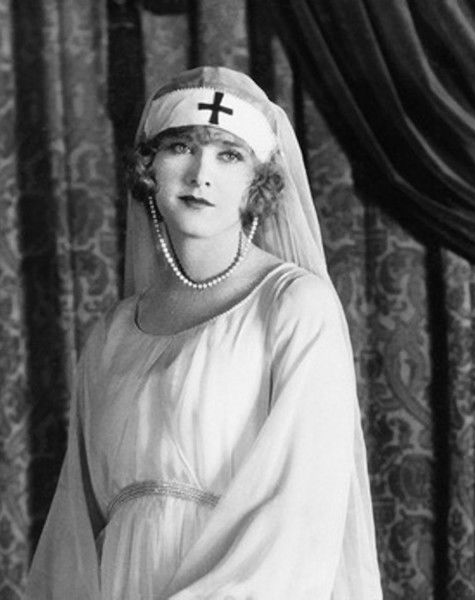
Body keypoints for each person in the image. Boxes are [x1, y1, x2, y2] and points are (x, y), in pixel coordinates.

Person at [26, 66, 383, 599]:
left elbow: (299, 516)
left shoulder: (295, 307)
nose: (200, 175)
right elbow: (74, 527)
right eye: (180, 148)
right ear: (149, 168)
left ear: (258, 184)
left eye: (229, 155)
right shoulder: (112, 335)